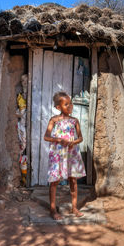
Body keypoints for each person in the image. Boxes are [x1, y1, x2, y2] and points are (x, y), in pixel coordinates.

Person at [44, 91, 86, 220]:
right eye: (66, 104)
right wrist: (58, 140)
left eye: (70, 103)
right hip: (58, 154)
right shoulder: (54, 120)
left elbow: (80, 138)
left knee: (72, 180)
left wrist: (73, 142)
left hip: (71, 153)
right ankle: (52, 210)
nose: (70, 106)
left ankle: (74, 208)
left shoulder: (74, 121)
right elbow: (46, 137)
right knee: (55, 181)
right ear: (58, 107)